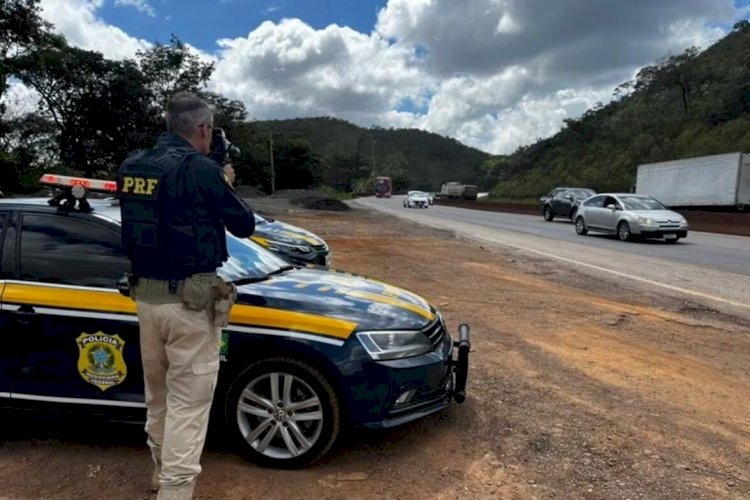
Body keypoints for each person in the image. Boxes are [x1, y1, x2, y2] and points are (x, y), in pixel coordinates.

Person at [116, 91, 255, 500]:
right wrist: (222, 178)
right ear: (204, 129)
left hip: (147, 302)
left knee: (157, 399)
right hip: (190, 308)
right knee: (188, 408)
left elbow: (162, 214)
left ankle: (160, 474)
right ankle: (174, 493)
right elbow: (244, 223)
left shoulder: (132, 166)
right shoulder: (200, 170)